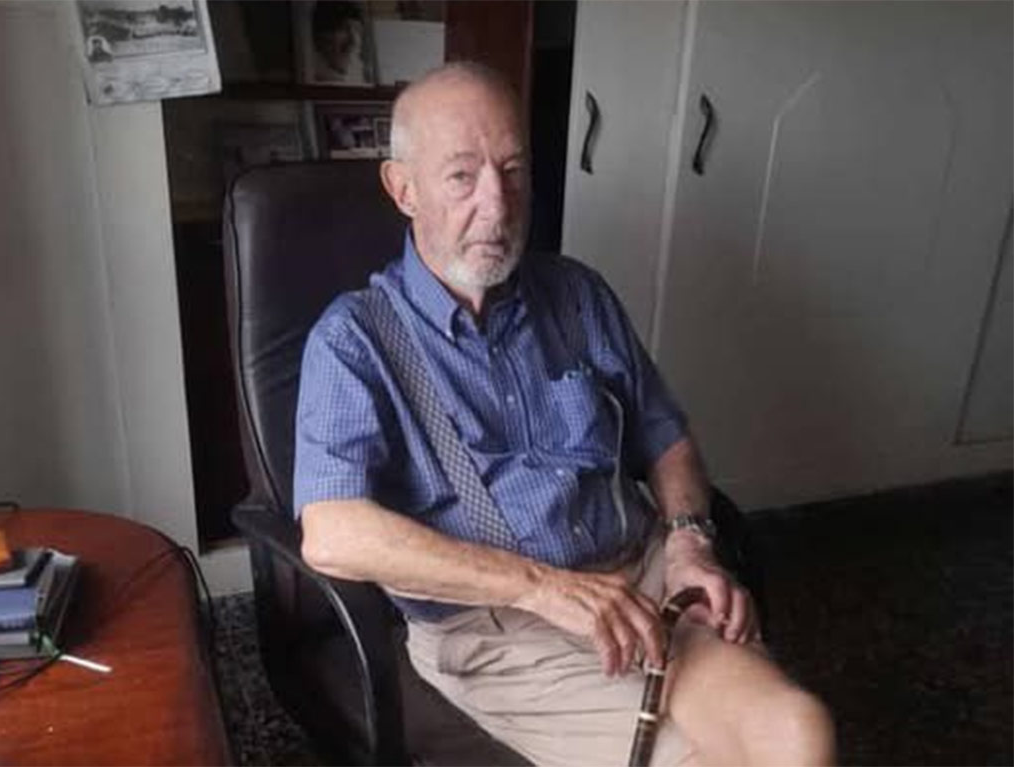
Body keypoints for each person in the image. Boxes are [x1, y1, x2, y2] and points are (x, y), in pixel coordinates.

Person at [294, 62, 836, 766]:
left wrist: (688, 541)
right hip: (499, 628)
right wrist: (544, 588)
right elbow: (332, 532)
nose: (497, 205)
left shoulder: (577, 294)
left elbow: (664, 435)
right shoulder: (353, 341)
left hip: (644, 577)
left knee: (797, 732)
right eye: (461, 176)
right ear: (404, 189)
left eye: (513, 171)